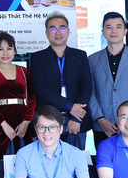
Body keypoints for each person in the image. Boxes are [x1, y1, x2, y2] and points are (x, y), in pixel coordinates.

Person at [29, 12, 92, 149]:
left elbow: (87, 86)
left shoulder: (80, 55)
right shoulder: (37, 57)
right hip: (47, 120)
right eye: (53, 29)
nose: (58, 32)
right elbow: (40, 88)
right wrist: (70, 107)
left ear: (68, 31)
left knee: (74, 159)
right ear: (46, 33)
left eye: (62, 28)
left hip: (76, 121)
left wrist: (76, 117)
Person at [88, 12, 128, 147]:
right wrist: (100, 119)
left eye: (118, 27)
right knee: (103, 158)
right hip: (103, 125)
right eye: (109, 27)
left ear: (125, 31)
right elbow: (90, 92)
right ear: (103, 32)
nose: (114, 31)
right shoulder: (92, 59)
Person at [0, 32, 35, 178]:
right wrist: (3, 125)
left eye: (9, 48)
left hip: (22, 123)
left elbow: (32, 98)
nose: (5, 53)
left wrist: (26, 121)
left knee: (23, 163)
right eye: (0, 49)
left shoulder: (23, 71)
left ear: (15, 50)